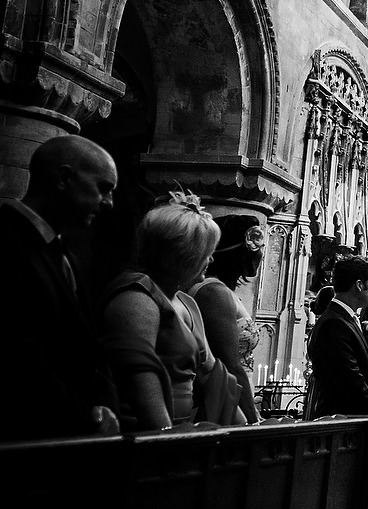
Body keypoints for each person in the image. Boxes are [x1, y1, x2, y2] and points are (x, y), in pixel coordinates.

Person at [0, 134, 120, 439]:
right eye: (103, 189)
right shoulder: (7, 240)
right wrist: (84, 416)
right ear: (65, 178)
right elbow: (18, 350)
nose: (109, 203)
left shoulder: (64, 251)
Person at [101, 190, 244, 430]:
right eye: (203, 252)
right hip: (144, 436)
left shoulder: (188, 303)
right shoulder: (136, 298)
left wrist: (247, 426)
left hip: (182, 430)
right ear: (178, 255)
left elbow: (212, 374)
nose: (210, 260)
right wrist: (168, 442)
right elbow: (140, 380)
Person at [189, 215, 264, 424]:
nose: (261, 255)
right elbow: (229, 364)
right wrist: (252, 420)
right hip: (224, 401)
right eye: (258, 247)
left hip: (235, 395)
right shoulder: (214, 292)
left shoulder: (225, 292)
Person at [305, 257, 368, 418]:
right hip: (342, 420)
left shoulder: (347, 318)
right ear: (359, 285)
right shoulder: (333, 323)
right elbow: (350, 377)